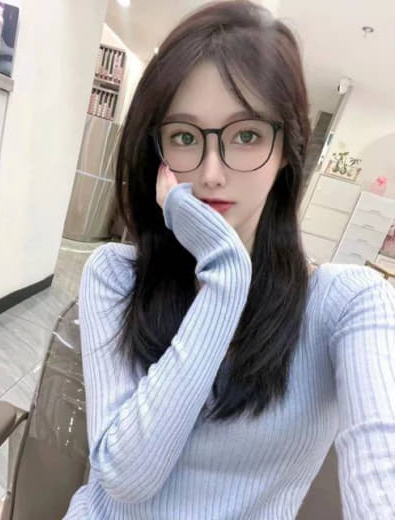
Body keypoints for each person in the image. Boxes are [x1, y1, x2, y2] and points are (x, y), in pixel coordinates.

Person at [64, 1, 395, 518]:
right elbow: (126, 479)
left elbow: (381, 463)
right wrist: (226, 276)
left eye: (246, 136)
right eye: (184, 136)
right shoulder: (116, 275)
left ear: (286, 150)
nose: (212, 174)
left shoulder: (348, 303)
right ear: (158, 155)